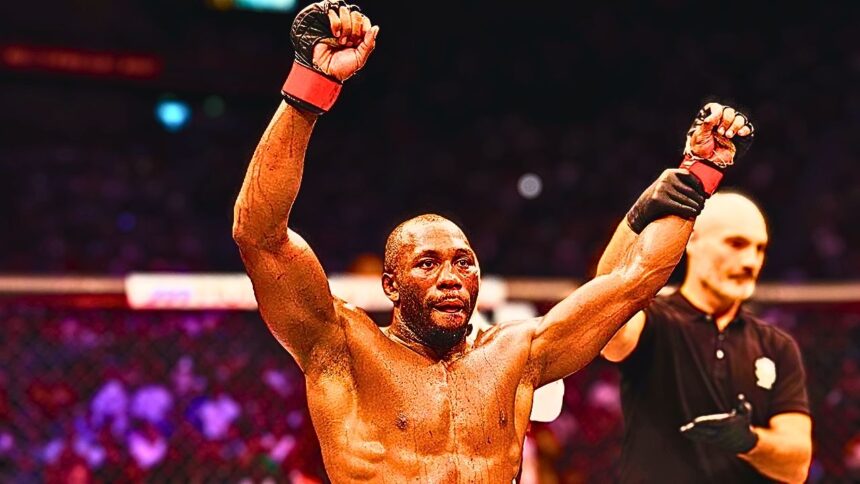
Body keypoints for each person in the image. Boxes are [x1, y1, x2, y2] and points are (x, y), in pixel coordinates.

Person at [232, 1, 753, 480]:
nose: (451, 278)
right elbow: (260, 235)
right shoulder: (342, 347)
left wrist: (700, 170)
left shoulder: (516, 355)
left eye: (464, 262)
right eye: (427, 264)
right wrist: (311, 85)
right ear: (390, 284)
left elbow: (633, 280)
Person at [601, 193, 813, 483]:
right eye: (736, 244)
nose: (751, 261)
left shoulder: (777, 346)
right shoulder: (653, 321)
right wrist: (636, 219)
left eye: (760, 248)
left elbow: (796, 466)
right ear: (692, 240)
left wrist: (750, 441)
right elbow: (606, 318)